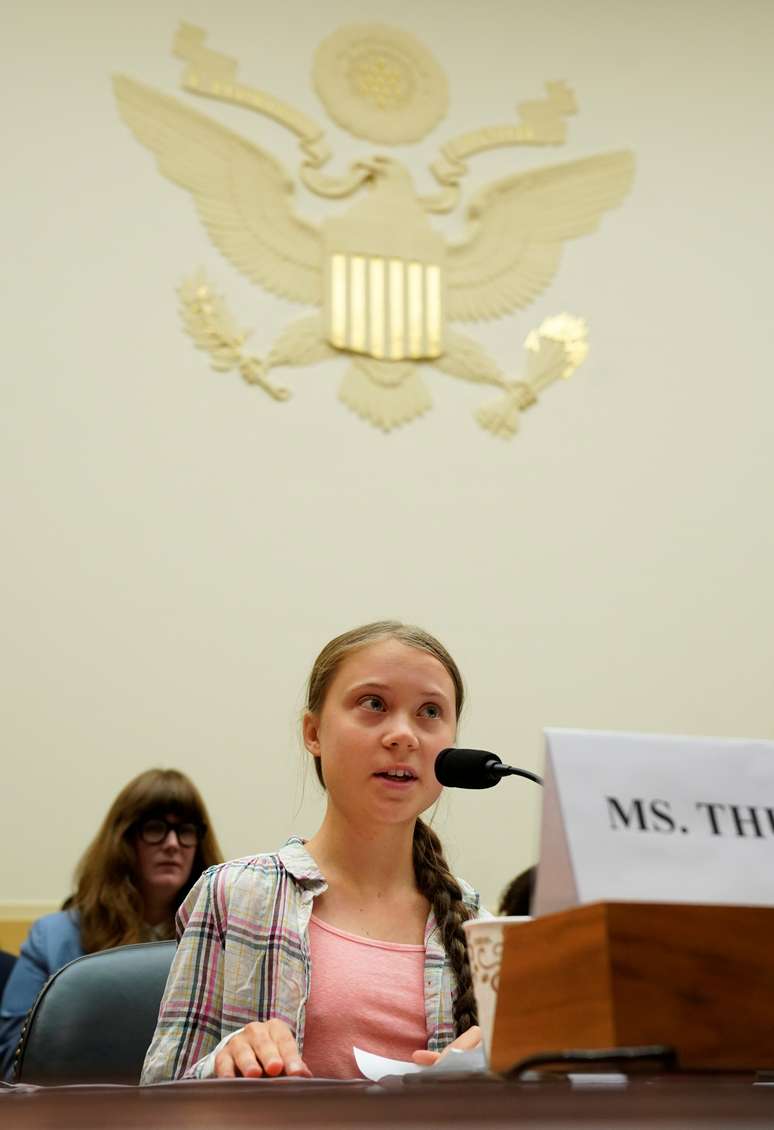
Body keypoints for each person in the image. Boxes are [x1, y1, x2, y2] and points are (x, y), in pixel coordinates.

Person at [142, 621, 484, 1082]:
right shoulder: (235, 894)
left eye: (429, 712)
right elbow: (158, 1094)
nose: (404, 735)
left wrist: (496, 1077)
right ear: (313, 733)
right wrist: (225, 1063)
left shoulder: (474, 919)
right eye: (374, 704)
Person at [0, 768, 222, 1080]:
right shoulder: (53, 938)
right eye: (155, 828)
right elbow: (11, 1060)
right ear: (123, 839)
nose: (172, 844)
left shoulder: (220, 938)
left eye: (186, 831)